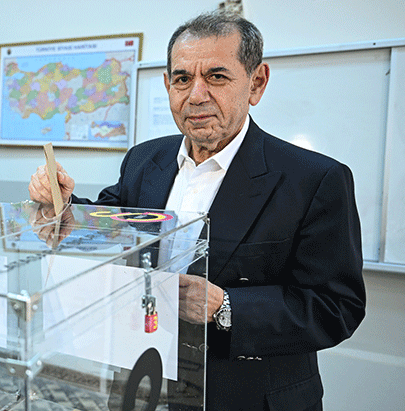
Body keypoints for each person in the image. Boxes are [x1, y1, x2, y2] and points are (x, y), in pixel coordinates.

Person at [29, 11, 365, 411]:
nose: (196, 95)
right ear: (168, 84)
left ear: (256, 83)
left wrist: (225, 307)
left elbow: (337, 307)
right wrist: (62, 206)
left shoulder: (314, 179)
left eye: (217, 77)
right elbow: (112, 224)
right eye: (183, 79)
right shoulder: (144, 159)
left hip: (246, 398)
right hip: (145, 383)